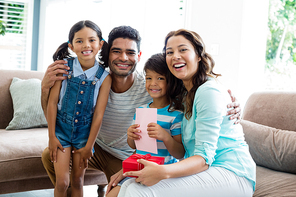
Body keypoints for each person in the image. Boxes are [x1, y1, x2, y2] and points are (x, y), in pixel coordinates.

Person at [40, 25, 242, 196]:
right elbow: (57, 112)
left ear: (139, 56)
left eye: (130, 52)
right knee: (51, 155)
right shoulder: (96, 80)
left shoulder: (150, 86)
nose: (123, 58)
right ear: (107, 53)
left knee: (122, 191)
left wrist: (230, 102)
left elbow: (194, 91)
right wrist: (44, 89)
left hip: (124, 155)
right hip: (95, 147)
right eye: (117, 51)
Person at [118, 29, 256, 197]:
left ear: (198, 55)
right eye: (170, 52)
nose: (175, 56)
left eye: (183, 49)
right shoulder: (184, 93)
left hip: (232, 172)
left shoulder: (208, 91)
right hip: (207, 169)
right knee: (129, 186)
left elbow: (204, 159)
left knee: (137, 191)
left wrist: (163, 171)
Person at [46, 20, 111, 197]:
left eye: (91, 40)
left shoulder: (104, 77)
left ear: (100, 44)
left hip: (84, 133)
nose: (86, 45)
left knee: (77, 181)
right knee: (62, 182)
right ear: (71, 46)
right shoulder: (63, 68)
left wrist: (90, 145)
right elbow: (52, 103)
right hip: (61, 130)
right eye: (79, 41)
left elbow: (98, 114)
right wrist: (51, 136)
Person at [107, 53, 185, 197]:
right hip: (137, 168)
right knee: (111, 194)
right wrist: (130, 135)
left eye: (160, 78)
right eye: (149, 78)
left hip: (161, 173)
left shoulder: (175, 115)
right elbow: (134, 146)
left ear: (171, 82)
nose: (153, 83)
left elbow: (179, 153)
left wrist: (165, 136)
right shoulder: (142, 110)